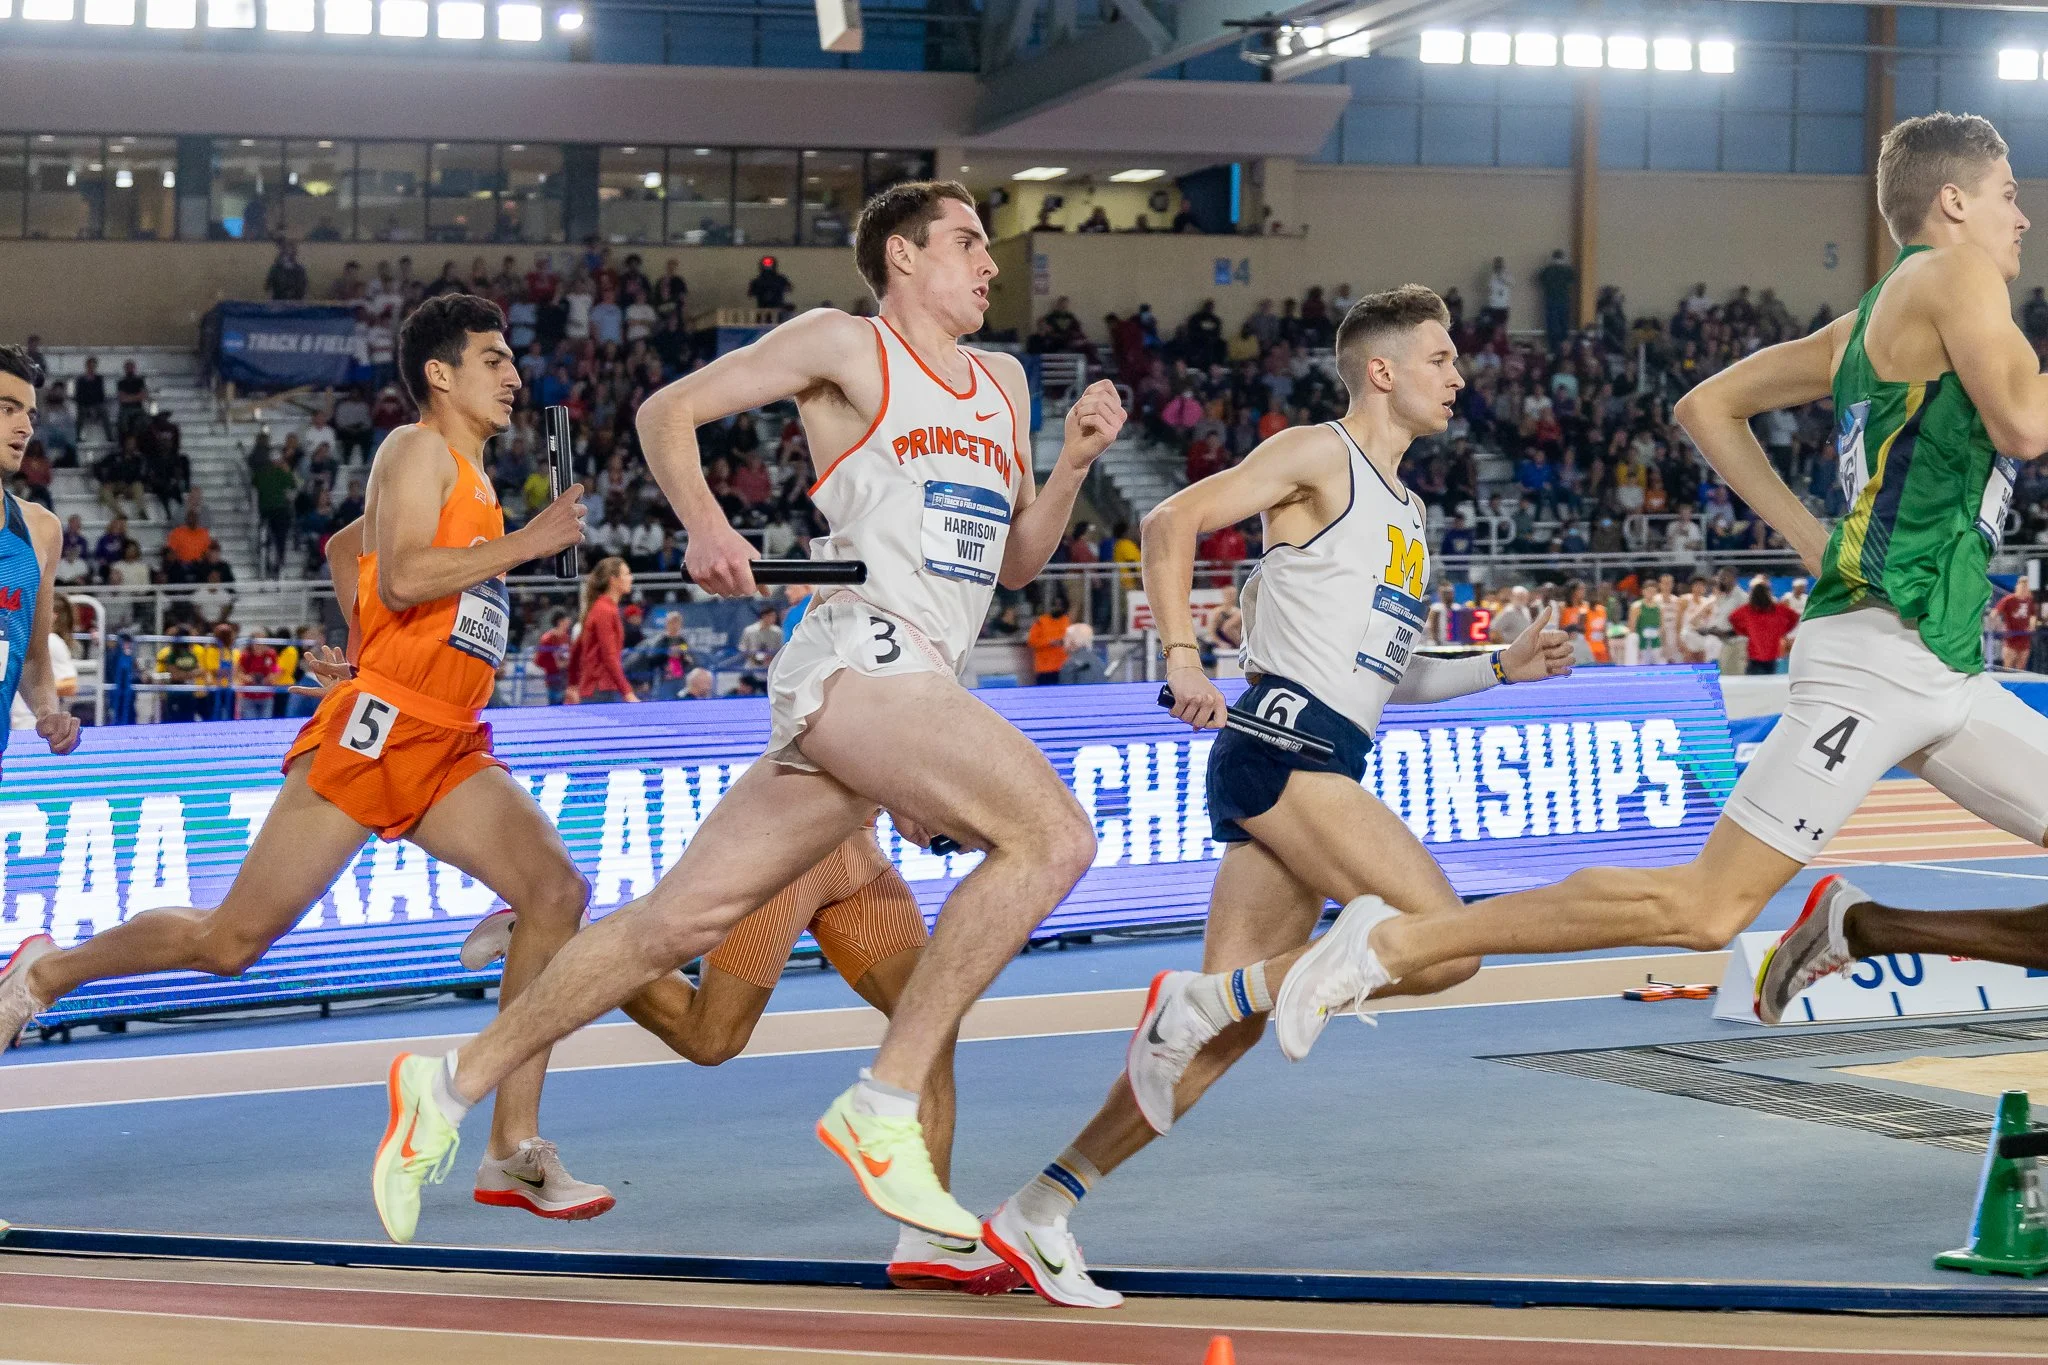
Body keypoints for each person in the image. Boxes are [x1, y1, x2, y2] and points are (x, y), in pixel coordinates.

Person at [1179, 115, 2048, 1060]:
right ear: (1953, 203)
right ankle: (1394, 941)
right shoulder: (1950, 272)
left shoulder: (1878, 315)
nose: (2024, 221)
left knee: (1709, 908)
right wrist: (1818, 537)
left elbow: (1703, 405)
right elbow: (2023, 426)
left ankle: (1863, 927)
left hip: (1945, 663)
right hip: (1878, 661)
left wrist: (1810, 535)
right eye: (2010, 195)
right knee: (1705, 911)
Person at [367, 180, 1125, 1249]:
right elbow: (661, 411)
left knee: (672, 924)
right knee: (1054, 835)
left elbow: (1015, 562)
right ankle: (882, 1103)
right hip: (864, 659)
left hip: (913, 683)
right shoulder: (843, 345)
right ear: (902, 258)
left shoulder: (1003, 384)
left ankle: (444, 1086)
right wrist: (706, 524)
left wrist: (1076, 464)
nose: (989, 263)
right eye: (966, 241)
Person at [980, 286, 1572, 1307]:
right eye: (1438, 358)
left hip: (1322, 751)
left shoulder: (1410, 510)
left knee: (1220, 1033)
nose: (1458, 375)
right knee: (1448, 942)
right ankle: (1216, 996)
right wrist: (1180, 658)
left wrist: (1501, 670)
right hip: (1281, 746)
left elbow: (1391, 673)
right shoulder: (1316, 453)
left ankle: (1038, 1207)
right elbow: (1169, 519)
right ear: (1379, 370)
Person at [0, 299, 610, 1228]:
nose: (514, 376)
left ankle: (509, 1147)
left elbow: (346, 552)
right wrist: (526, 545)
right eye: (493, 358)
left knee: (556, 891)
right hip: (376, 736)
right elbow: (402, 573)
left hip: (448, 735)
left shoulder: (476, 480)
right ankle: (45, 974)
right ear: (440, 375)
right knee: (231, 942)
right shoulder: (415, 451)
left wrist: (365, 640)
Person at [455, 815, 1023, 1293]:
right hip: (790, 856)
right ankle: (567, 939)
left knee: (929, 1014)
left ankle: (929, 1232)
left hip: (857, 849)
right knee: (711, 1039)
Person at [0, 346, 82, 775]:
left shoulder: (41, 530)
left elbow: (33, 656)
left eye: (29, 414)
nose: (25, 427)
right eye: (7, 409)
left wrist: (48, 710)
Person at [567, 557, 637, 705]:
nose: (631, 578)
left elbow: (576, 650)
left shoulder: (598, 608)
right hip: (602, 689)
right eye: (626, 574)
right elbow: (609, 656)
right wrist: (627, 692)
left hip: (595, 688)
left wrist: (573, 684)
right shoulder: (605, 610)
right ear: (613, 580)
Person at [1727, 577, 1800, 675]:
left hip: (1754, 655)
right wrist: (1783, 630)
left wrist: (1744, 631)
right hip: (1772, 654)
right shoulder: (1777, 609)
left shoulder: (1748, 610)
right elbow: (1794, 617)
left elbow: (1732, 618)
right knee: (1769, 684)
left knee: (1754, 684)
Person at [1992, 576, 2036, 670]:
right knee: (2008, 667)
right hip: (2011, 639)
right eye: (2022, 586)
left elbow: (2033, 615)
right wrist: (2000, 626)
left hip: (2024, 639)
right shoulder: (2008, 599)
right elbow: (1994, 613)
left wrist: (2032, 625)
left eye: (2026, 587)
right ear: (2017, 586)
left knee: (2021, 668)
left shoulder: (2030, 601)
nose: (2024, 589)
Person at [1027, 594, 1070, 685]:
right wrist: (1049, 642)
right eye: (1054, 605)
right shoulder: (1041, 622)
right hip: (1044, 668)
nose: (1056, 608)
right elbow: (1032, 641)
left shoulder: (1067, 621)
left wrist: (1063, 641)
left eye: (1059, 605)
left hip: (1062, 667)